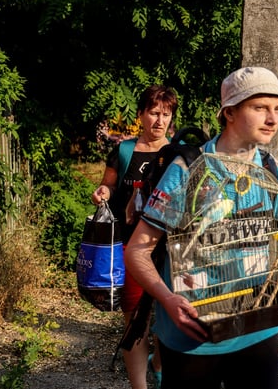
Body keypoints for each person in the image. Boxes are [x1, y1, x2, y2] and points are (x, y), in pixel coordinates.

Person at [124, 66, 278, 389]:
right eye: (260, 107)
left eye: (277, 109)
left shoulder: (272, 172)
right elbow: (137, 251)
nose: (273, 119)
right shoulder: (187, 172)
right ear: (230, 112)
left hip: (257, 331)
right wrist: (168, 300)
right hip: (193, 338)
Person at [92, 84, 177, 389]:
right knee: (134, 319)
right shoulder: (125, 150)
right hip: (130, 245)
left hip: (171, 248)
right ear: (140, 114)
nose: (159, 120)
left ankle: (159, 362)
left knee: (169, 314)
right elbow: (109, 187)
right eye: (154, 113)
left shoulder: (177, 154)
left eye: (166, 114)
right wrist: (104, 192)